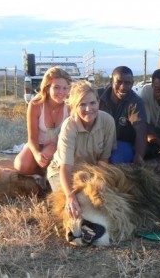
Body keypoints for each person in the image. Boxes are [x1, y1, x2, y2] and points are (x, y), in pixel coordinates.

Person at [47, 80, 116, 218]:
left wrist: (97, 182)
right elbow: (65, 168)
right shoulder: (69, 126)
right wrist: (70, 196)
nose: (88, 109)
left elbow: (103, 160)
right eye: (82, 104)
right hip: (64, 171)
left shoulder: (108, 121)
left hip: (90, 171)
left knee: (100, 198)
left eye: (92, 103)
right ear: (73, 107)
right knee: (75, 203)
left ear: (98, 102)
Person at [14, 66, 72, 175]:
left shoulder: (70, 106)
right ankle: (40, 173)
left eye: (65, 88)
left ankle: (47, 175)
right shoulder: (36, 104)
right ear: (47, 88)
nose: (61, 92)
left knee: (46, 156)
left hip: (58, 145)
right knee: (21, 165)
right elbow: (32, 137)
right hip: (38, 143)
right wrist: (36, 153)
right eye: (57, 87)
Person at [99, 66, 148, 165]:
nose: (123, 87)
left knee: (116, 162)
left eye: (127, 83)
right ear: (111, 81)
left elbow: (141, 130)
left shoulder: (135, 102)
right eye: (119, 82)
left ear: (132, 84)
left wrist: (139, 157)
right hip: (99, 141)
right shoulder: (97, 95)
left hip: (121, 143)